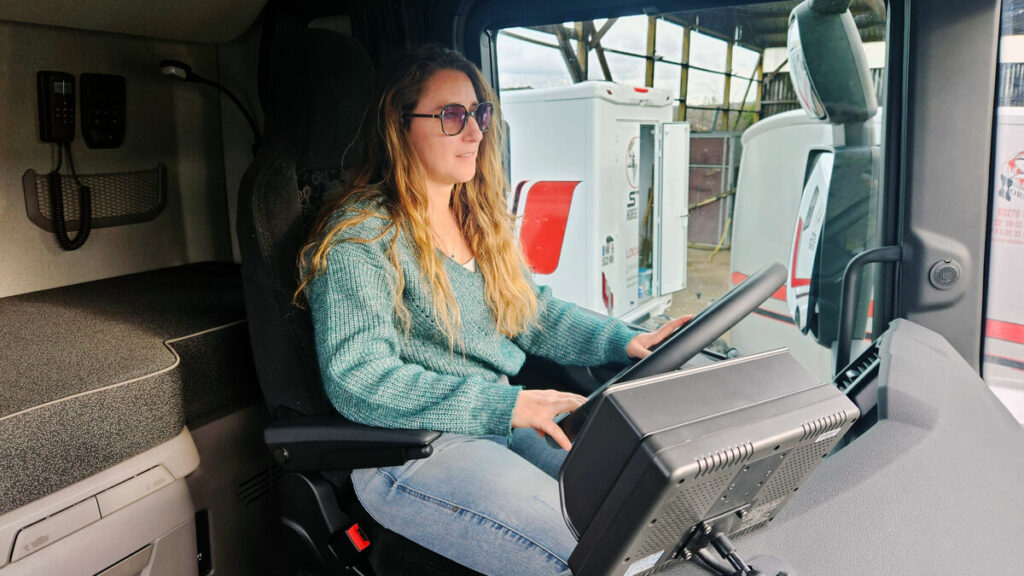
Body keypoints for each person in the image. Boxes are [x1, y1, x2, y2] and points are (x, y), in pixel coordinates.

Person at [295, 45, 689, 576]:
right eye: (452, 116)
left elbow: (534, 314)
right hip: (411, 450)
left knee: (644, 523)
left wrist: (623, 340)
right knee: (595, 561)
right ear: (399, 126)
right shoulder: (363, 236)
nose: (476, 133)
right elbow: (359, 378)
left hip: (494, 423)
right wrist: (502, 406)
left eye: (479, 114)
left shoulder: (477, 219)